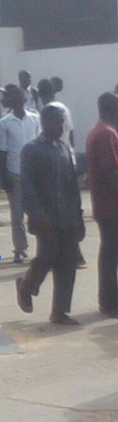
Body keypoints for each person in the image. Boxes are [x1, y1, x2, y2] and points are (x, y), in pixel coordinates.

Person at [15, 104, 84, 325]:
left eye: (63, 120)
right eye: (57, 120)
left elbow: (72, 186)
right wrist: (35, 212)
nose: (62, 125)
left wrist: (79, 216)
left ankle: (60, 311)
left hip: (68, 216)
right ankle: (27, 285)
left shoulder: (64, 148)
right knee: (47, 255)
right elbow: (26, 186)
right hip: (45, 216)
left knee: (67, 263)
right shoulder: (31, 150)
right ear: (45, 122)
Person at [0, 85, 41, 263]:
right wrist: (2, 175)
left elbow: (39, 144)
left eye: (17, 99)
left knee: (36, 213)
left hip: (33, 173)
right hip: (14, 171)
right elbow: (2, 151)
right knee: (17, 215)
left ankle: (41, 248)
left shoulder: (34, 119)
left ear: (22, 101)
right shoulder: (4, 122)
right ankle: (20, 249)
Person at [86, 93, 118, 317]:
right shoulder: (107, 133)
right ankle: (109, 302)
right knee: (110, 253)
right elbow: (110, 173)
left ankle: (108, 300)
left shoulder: (96, 130)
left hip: (103, 203)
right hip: (111, 204)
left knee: (109, 252)